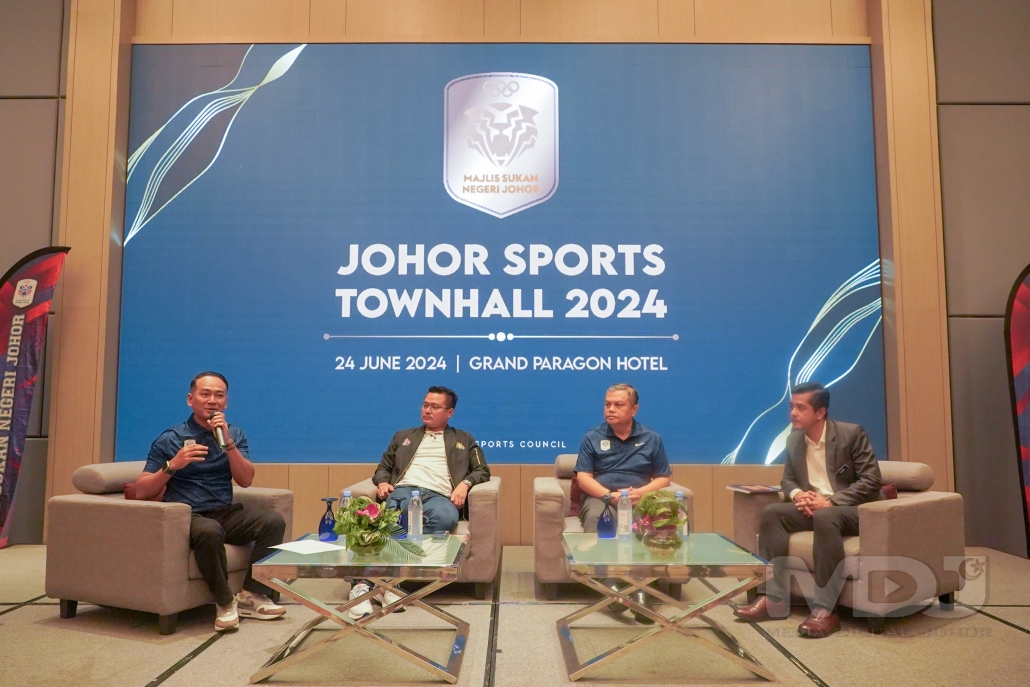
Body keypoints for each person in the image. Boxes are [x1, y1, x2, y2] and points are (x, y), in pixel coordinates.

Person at [135, 372, 287, 632]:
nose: (212, 400)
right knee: (209, 530)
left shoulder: (234, 434)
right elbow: (142, 491)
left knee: (273, 521)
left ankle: (252, 593)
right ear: (190, 399)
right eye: (205, 394)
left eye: (219, 395)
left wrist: (228, 443)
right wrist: (173, 465)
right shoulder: (171, 438)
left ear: (226, 402)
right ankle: (225, 602)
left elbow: (246, 480)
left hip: (224, 512)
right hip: (188, 515)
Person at [733, 381, 882, 638]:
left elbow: (871, 480)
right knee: (773, 513)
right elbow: (788, 480)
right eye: (792, 406)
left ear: (820, 412)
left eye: (801, 408)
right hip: (817, 508)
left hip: (853, 510)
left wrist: (831, 501)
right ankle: (773, 598)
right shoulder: (794, 441)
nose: (793, 413)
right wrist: (799, 495)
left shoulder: (851, 434)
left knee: (825, 515)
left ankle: (826, 609)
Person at [348, 385, 490, 619]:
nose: (427, 410)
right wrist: (382, 482)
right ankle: (375, 586)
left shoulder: (464, 438)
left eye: (434, 407)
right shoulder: (403, 436)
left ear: (449, 412)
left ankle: (382, 582)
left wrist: (465, 484)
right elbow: (383, 468)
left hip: (439, 496)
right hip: (405, 491)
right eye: (425, 405)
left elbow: (482, 470)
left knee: (446, 517)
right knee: (392, 515)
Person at [575, 383, 672, 623]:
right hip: (603, 497)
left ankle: (641, 590)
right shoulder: (592, 437)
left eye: (618, 404)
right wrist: (609, 495)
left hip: (639, 497)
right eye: (607, 404)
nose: (611, 409)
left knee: (649, 522)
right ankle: (608, 585)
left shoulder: (651, 438)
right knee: (596, 517)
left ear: (634, 409)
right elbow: (583, 477)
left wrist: (639, 493)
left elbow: (664, 478)